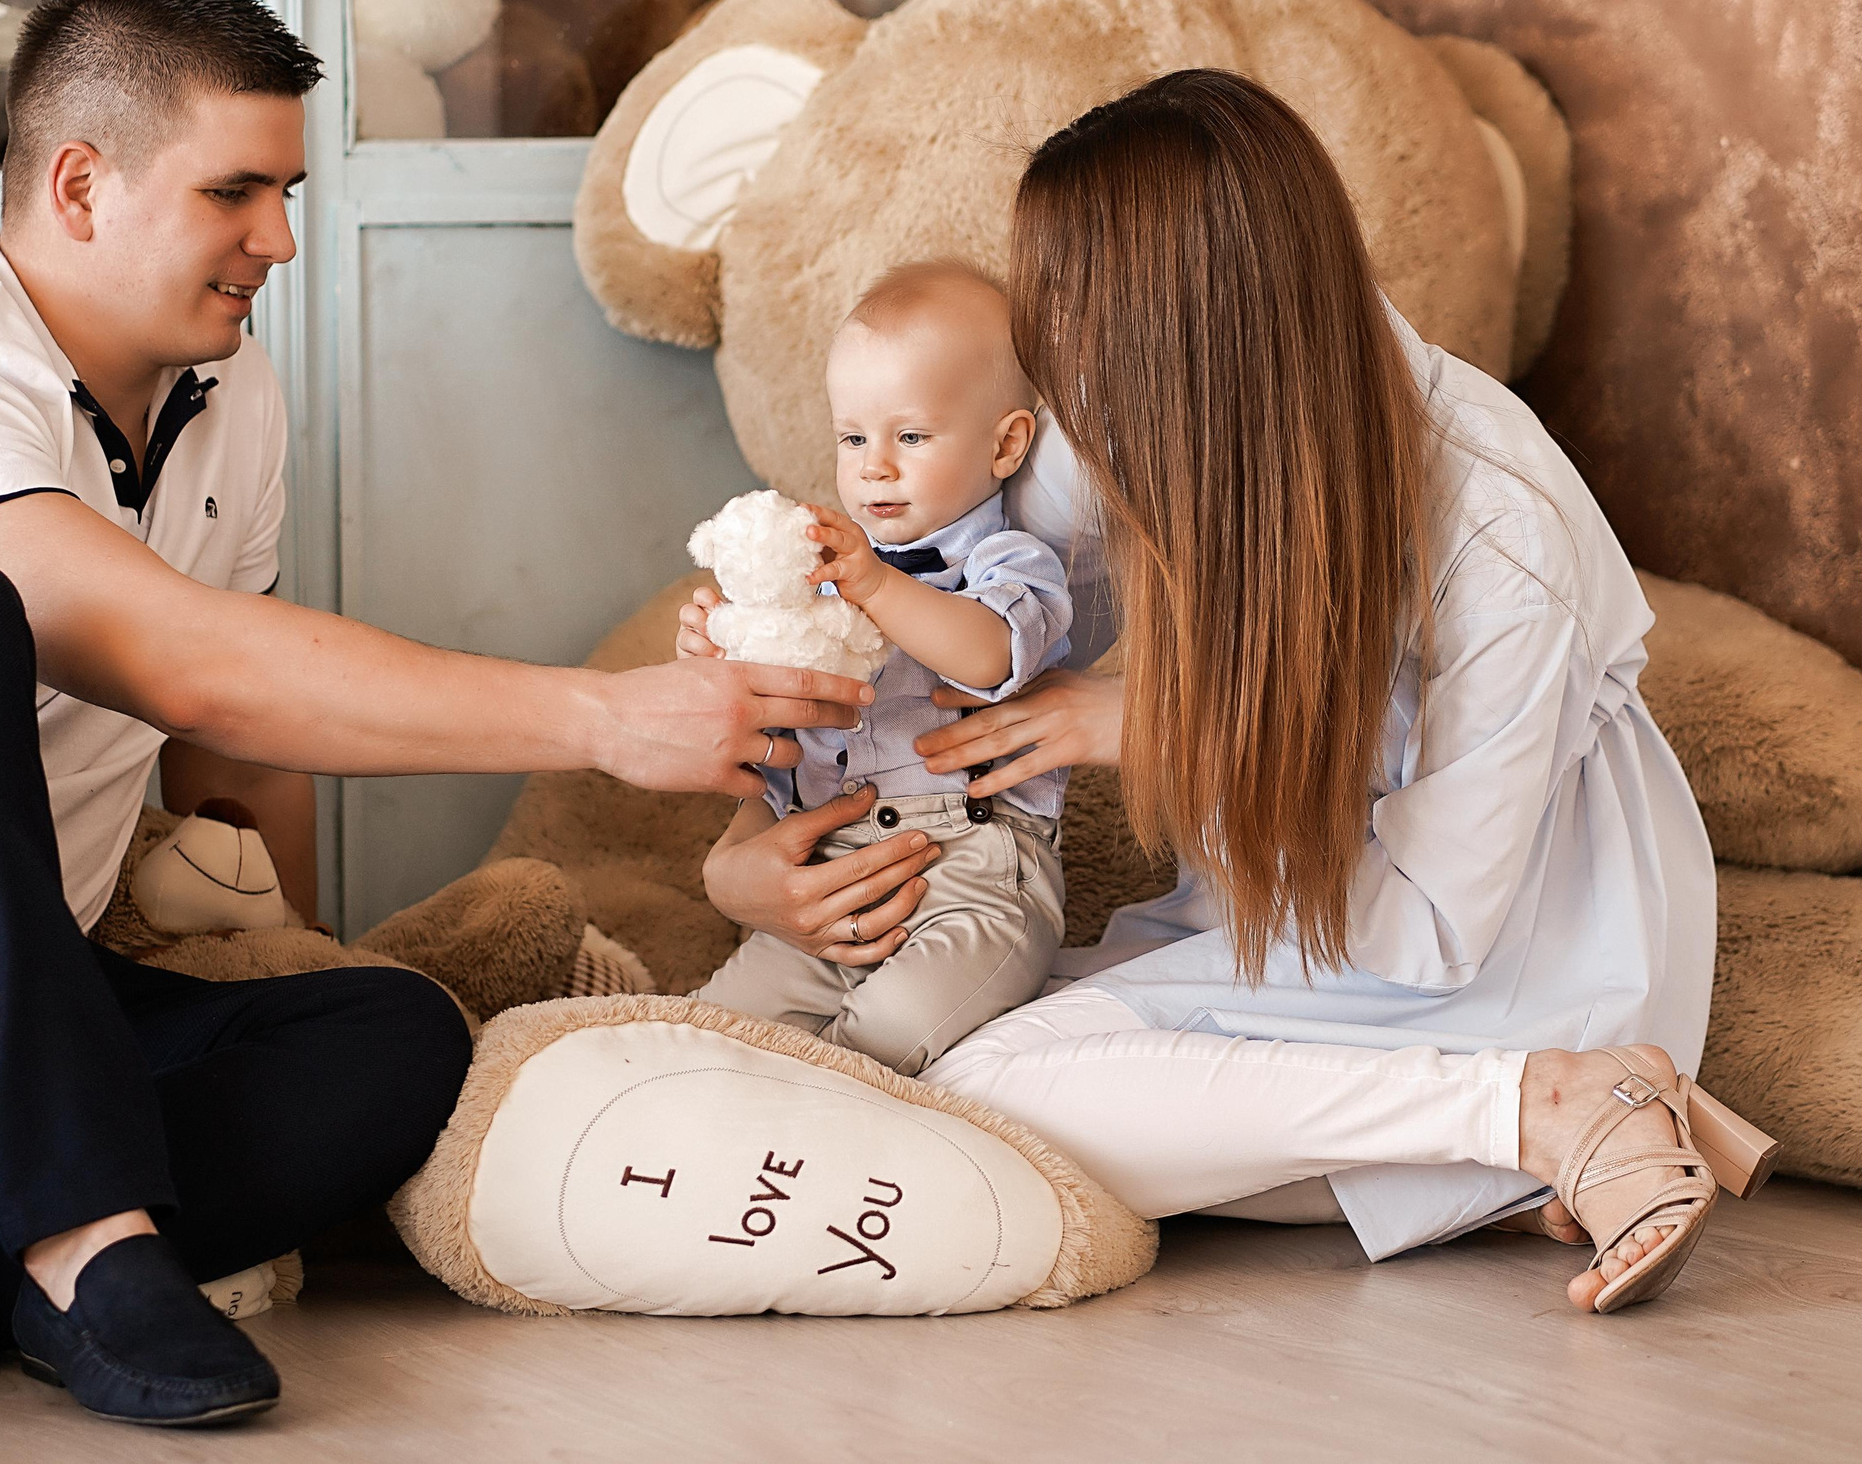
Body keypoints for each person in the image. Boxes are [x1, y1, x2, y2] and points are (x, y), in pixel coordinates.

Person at [0, 0, 876, 1424]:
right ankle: (80, 1242)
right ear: (79, 186)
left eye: (290, 191)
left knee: (389, 1035)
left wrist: (289, 956)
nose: (284, 239)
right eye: (237, 193)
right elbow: (176, 657)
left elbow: (227, 753)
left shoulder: (228, 395)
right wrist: (606, 715)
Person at [705, 68, 1774, 1316]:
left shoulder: (1498, 533)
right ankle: (1488, 1148)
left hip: (1489, 953)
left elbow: (1430, 930)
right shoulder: (1138, 397)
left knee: (990, 1093)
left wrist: (1163, 735)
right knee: (958, 1043)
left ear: (1188, 333)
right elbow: (978, 615)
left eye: (1077, 333)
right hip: (1276, 919)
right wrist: (786, 634)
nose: (1060, 387)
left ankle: (1544, 1101)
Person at [681, 262, 1071, 1076]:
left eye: (911, 437)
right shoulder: (827, 573)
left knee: (889, 1030)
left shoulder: (1007, 562)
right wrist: (720, 652)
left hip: (977, 876)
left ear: (1005, 444)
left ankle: (820, 1140)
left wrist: (877, 584)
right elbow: (771, 721)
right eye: (853, 438)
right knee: (711, 1036)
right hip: (832, 877)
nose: (874, 467)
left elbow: (992, 654)